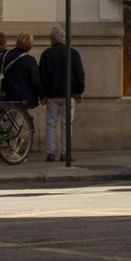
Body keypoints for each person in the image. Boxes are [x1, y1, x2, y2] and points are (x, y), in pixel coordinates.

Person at [39, 25, 85, 162]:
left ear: (52, 39)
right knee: (67, 124)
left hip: (52, 95)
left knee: (51, 123)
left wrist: (42, 94)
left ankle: (50, 152)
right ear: (64, 39)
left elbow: (41, 75)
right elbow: (79, 74)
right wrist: (79, 91)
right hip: (68, 93)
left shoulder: (46, 54)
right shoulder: (73, 53)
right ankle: (65, 153)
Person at [0, 31, 43, 112]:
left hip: (6, 95)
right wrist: (42, 95)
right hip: (21, 98)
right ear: (29, 44)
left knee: (7, 122)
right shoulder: (29, 60)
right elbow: (35, 80)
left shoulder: (5, 55)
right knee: (18, 122)